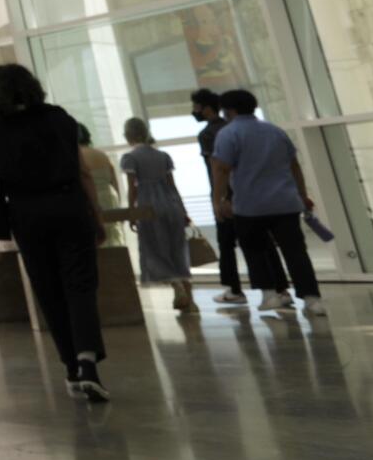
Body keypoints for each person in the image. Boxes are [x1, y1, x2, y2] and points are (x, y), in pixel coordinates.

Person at [0, 64, 110, 402]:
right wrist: (97, 215)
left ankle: (71, 369)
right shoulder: (58, 118)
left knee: (48, 289)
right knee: (80, 285)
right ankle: (87, 361)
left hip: (27, 213)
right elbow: (83, 172)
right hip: (69, 206)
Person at [211, 90, 325, 318]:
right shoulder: (275, 131)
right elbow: (294, 165)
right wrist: (302, 194)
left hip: (250, 205)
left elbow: (222, 169)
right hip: (285, 203)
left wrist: (219, 200)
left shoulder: (228, 134)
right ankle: (312, 299)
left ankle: (269, 295)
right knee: (296, 252)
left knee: (255, 250)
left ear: (229, 110)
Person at [119, 116, 197, 315]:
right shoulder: (163, 156)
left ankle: (176, 285)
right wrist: (184, 211)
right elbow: (173, 186)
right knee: (177, 249)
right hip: (170, 204)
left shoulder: (130, 158)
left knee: (156, 249)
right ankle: (190, 299)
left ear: (128, 135)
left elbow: (132, 189)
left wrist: (132, 212)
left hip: (148, 206)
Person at [191, 89, 251, 306]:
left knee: (226, 244)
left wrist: (220, 197)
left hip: (225, 194)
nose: (194, 111)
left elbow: (216, 169)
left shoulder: (208, 134)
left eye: (196, 107)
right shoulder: (232, 129)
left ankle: (234, 289)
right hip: (245, 193)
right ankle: (275, 287)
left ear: (206, 107)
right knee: (254, 243)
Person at [77, 123, 123, 246]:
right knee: (112, 236)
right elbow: (114, 183)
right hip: (109, 198)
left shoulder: (77, 156)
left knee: (96, 239)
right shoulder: (102, 155)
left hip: (91, 200)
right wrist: (118, 202)